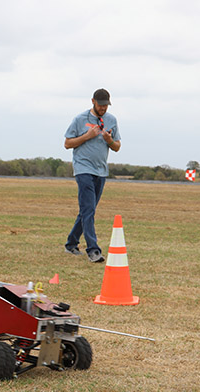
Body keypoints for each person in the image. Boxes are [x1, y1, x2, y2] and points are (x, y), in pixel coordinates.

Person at [63, 88, 121, 263]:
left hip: (101, 171)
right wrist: (87, 136)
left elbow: (117, 146)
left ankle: (71, 243)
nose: (103, 108)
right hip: (83, 169)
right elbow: (67, 143)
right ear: (93, 101)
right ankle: (93, 250)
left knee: (88, 210)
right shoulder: (80, 119)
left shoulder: (111, 120)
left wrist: (108, 140)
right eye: (101, 105)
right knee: (88, 210)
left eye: (106, 106)